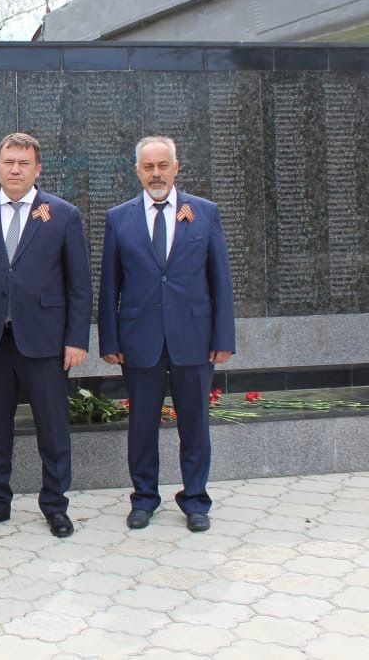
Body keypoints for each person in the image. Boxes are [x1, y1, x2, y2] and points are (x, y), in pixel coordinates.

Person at [0, 133, 92, 538]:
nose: (15, 169)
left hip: (46, 341)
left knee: (52, 427)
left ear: (38, 169)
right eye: (9, 161)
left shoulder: (62, 214)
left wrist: (77, 339)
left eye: (24, 163)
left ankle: (55, 504)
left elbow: (79, 285)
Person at [98, 136, 235, 533]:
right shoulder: (119, 217)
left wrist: (222, 337)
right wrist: (110, 340)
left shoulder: (204, 213)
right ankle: (144, 498)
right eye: (148, 167)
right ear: (137, 171)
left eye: (162, 165)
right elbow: (111, 284)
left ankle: (195, 500)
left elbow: (219, 280)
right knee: (142, 424)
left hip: (193, 338)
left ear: (176, 168)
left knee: (195, 423)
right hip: (139, 340)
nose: (155, 173)